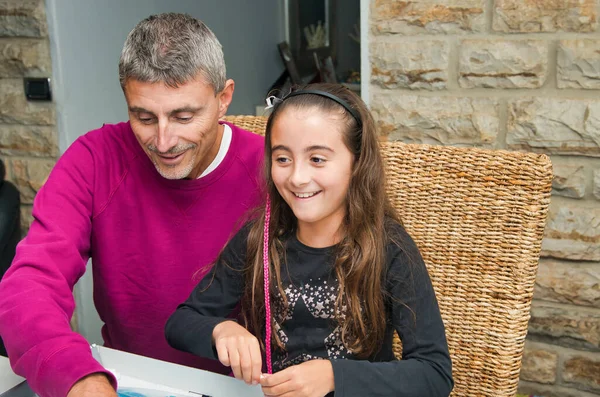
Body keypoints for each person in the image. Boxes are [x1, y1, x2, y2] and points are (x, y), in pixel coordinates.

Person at [0, 13, 264, 397]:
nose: (163, 141)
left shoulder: (275, 169)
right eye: (143, 117)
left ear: (223, 99)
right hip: (130, 382)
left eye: (183, 116)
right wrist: (78, 378)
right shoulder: (93, 159)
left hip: (248, 388)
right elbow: (31, 283)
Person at [165, 83, 454, 397]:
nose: (298, 177)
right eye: (283, 159)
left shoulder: (389, 247)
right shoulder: (258, 239)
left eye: (317, 159)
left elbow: (434, 373)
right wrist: (221, 330)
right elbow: (180, 323)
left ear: (357, 164)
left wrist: (334, 376)